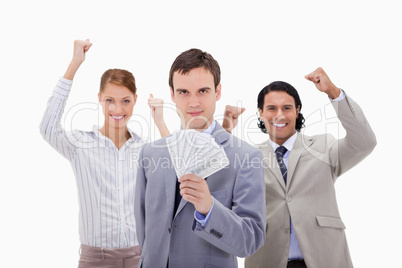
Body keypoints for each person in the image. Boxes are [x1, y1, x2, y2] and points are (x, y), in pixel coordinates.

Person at [223, 67, 377, 268]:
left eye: (286, 108)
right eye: (271, 108)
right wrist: (225, 132)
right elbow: (218, 182)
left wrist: (333, 92)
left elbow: (364, 142)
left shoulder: (324, 146)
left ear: (297, 110)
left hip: (325, 259)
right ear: (260, 113)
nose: (279, 115)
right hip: (267, 259)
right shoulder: (248, 156)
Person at [40, 39, 169, 268]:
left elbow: (177, 168)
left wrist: (160, 121)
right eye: (110, 100)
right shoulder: (80, 144)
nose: (117, 110)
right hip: (94, 259)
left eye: (125, 101)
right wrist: (75, 63)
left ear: (135, 101)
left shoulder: (144, 149)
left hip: (139, 256)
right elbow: (48, 128)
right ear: (99, 98)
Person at [134, 48, 266, 267]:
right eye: (184, 92)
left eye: (203, 91)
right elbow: (143, 229)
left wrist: (209, 208)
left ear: (218, 91)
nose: (193, 102)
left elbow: (250, 240)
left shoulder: (246, 157)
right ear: (172, 94)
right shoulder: (150, 154)